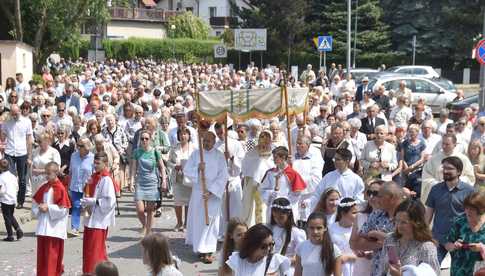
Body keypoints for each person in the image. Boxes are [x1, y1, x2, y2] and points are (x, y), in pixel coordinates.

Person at [184, 131, 229, 264]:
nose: (206, 143)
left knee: (210, 222)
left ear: (214, 142)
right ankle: (200, 249)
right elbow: (187, 170)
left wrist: (211, 191)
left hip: (213, 194)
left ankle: (208, 250)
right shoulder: (196, 154)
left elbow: (223, 176)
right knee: (199, 222)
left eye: (208, 141)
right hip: (199, 192)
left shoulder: (219, 156)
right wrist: (197, 169)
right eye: (204, 141)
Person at [425, 156, 475, 264]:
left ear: (459, 171)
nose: (445, 171)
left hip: (461, 241)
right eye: (444, 168)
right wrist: (425, 236)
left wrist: (463, 239)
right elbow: (427, 215)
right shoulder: (435, 189)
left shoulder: (469, 191)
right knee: (430, 270)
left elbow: (474, 218)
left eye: (450, 168)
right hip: (438, 239)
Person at [350, 182, 404, 276]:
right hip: (377, 272)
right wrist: (382, 243)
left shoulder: (407, 217)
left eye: (379, 196)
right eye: (369, 193)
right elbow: (356, 243)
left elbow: (407, 242)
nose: (377, 199)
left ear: (391, 197)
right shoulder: (376, 215)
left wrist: (379, 236)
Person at [375, 199, 439, 276]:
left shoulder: (426, 247)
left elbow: (434, 274)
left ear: (416, 223)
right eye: (397, 220)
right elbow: (381, 270)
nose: (398, 225)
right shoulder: (390, 239)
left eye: (404, 222)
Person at [32, 162, 71, 276]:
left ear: (56, 173)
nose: (46, 176)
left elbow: (63, 210)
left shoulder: (60, 188)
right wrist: (39, 208)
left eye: (48, 174)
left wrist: (48, 207)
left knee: (51, 259)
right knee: (42, 259)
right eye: (46, 173)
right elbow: (35, 203)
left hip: (54, 230)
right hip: (43, 229)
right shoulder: (45, 186)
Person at [81, 152, 117, 274]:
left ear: (105, 164)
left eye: (98, 163)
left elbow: (110, 201)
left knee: (96, 252)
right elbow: (88, 191)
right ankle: (89, 272)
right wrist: (85, 199)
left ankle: (97, 273)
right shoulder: (94, 177)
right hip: (90, 219)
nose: (95, 165)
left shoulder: (106, 179)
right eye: (94, 163)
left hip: (98, 221)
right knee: (88, 251)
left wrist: (94, 202)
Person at [132, 130, 167, 236]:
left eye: (146, 139)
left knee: (151, 210)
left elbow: (162, 167)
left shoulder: (155, 151)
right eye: (142, 138)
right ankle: (145, 225)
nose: (144, 140)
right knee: (140, 210)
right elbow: (134, 168)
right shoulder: (136, 152)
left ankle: (148, 232)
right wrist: (131, 181)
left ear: (150, 140)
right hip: (140, 182)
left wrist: (164, 181)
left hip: (152, 182)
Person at [421, 134, 475, 203]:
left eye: (447, 144)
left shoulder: (463, 159)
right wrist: (438, 184)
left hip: (457, 196)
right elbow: (426, 177)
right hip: (439, 194)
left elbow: (470, 177)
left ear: (454, 145)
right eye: (443, 143)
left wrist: (455, 182)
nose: (444, 146)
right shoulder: (434, 159)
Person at [259, 146, 306, 221]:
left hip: (287, 209)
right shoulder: (270, 173)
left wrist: (284, 201)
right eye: (273, 157)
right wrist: (272, 195)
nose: (273, 159)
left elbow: (297, 194)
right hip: (273, 206)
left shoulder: (293, 174)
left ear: (283, 157)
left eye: (275, 157)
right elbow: (262, 190)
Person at [0, 104, 33, 209]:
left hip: (22, 153)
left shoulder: (26, 121)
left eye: (16, 113)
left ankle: (20, 200)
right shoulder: (7, 122)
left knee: (22, 179)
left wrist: (29, 156)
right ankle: (10, 199)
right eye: (13, 114)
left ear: (19, 111)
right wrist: (2, 125)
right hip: (10, 152)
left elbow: (29, 140)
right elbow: (3, 138)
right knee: (10, 177)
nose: (15, 116)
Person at [445, 191, 485, 276]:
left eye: (472, 209)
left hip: (480, 271)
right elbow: (447, 244)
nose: (468, 211)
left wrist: (482, 248)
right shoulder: (459, 223)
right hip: (458, 270)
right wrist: (454, 246)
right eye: (466, 208)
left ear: (481, 210)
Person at [226, 223, 291, 275]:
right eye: (263, 246)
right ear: (253, 245)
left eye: (271, 244)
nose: (268, 249)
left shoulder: (275, 260)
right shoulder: (237, 260)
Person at [241, 130, 275, 225]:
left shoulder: (273, 154)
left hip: (267, 185)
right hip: (252, 184)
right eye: (262, 141)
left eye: (266, 142)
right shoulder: (251, 153)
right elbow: (245, 166)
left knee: (263, 208)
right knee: (249, 206)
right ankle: (249, 226)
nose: (263, 145)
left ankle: (263, 226)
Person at [294, 212, 342, 276]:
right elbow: (297, 273)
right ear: (307, 228)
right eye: (311, 228)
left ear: (325, 228)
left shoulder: (334, 249)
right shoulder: (301, 247)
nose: (315, 232)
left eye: (319, 228)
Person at [268, 197, 306, 274]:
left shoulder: (296, 232)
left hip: (288, 270)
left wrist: (282, 261)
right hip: (270, 269)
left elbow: (302, 256)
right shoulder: (270, 229)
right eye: (275, 217)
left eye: (281, 217)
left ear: (288, 214)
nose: (277, 220)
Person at [167, 127, 195, 231]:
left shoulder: (194, 148)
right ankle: (179, 222)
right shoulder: (174, 148)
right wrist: (175, 166)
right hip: (177, 177)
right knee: (178, 201)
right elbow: (168, 162)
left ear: (189, 136)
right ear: (178, 136)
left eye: (185, 134)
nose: (183, 136)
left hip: (189, 178)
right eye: (181, 134)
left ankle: (187, 223)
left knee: (188, 202)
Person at [68, 137, 94, 237]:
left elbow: (95, 173)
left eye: (81, 146)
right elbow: (70, 171)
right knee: (76, 206)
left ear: (87, 147)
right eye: (77, 145)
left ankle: (90, 227)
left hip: (88, 187)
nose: (78, 148)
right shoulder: (74, 156)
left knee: (89, 207)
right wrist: (69, 187)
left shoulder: (92, 157)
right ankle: (75, 227)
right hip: (75, 185)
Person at [329, 198, 358, 276]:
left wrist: (348, 257)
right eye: (354, 212)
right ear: (343, 213)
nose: (357, 215)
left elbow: (365, 253)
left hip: (355, 267)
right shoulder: (331, 229)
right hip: (336, 267)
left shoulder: (359, 229)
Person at [400, 124, 428, 198]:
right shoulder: (405, 143)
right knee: (405, 189)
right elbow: (402, 157)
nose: (411, 133)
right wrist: (407, 169)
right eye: (410, 132)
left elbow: (422, 158)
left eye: (413, 132)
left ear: (417, 132)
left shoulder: (422, 143)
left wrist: (412, 167)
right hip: (405, 170)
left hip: (417, 170)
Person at [0, 159, 23, 241]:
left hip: (5, 200)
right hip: (13, 199)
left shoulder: (1, 177)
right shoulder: (13, 176)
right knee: (10, 216)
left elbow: (2, 190)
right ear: (9, 166)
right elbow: (17, 187)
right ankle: (18, 230)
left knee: (7, 218)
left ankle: (10, 235)